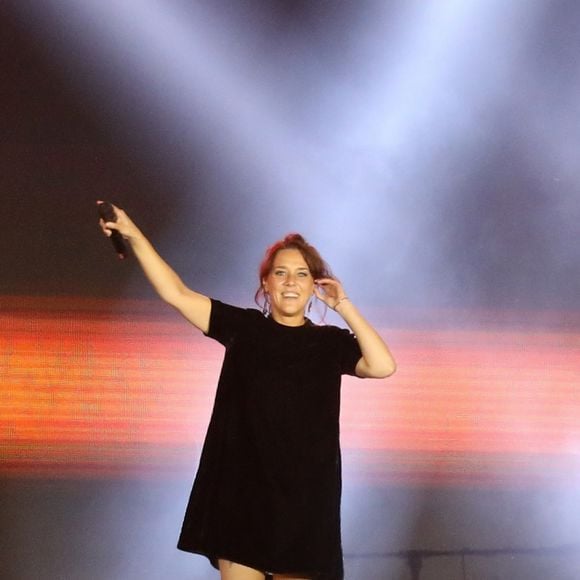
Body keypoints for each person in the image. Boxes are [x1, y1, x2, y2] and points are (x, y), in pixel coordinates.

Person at [98, 202, 396, 580]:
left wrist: (343, 306)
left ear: (313, 285)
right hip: (242, 497)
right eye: (281, 273)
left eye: (301, 274)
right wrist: (134, 234)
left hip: (304, 505)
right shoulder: (243, 327)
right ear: (266, 283)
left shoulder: (330, 344)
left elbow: (383, 366)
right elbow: (176, 293)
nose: (290, 282)